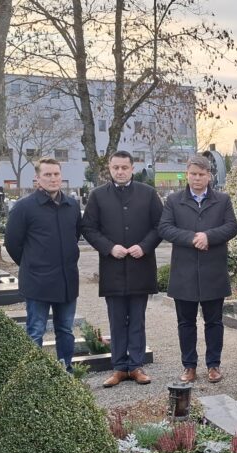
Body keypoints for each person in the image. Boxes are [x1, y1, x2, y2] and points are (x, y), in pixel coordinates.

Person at [80, 151, 164, 387]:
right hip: (113, 267)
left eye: (124, 167)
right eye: (115, 167)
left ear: (132, 168)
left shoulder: (148, 194)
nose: (120, 171)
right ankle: (118, 367)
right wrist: (109, 247)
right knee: (116, 319)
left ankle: (136, 366)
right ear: (109, 168)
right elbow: (89, 228)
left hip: (140, 266)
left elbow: (160, 225)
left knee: (137, 319)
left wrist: (144, 246)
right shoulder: (98, 196)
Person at [157, 156, 237, 384]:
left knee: (214, 322)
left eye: (201, 174)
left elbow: (232, 227)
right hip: (184, 272)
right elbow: (164, 228)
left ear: (209, 176)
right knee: (185, 323)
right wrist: (192, 238)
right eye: (193, 174)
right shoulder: (174, 200)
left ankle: (213, 365)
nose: (197, 178)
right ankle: (189, 366)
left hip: (213, 270)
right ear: (187, 173)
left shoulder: (222, 200)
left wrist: (208, 236)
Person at [4, 158, 81, 371]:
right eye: (47, 175)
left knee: (65, 330)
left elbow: (75, 235)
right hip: (37, 281)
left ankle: (65, 370)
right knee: (36, 330)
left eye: (56, 174)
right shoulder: (24, 207)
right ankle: (35, 375)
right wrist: (32, 264)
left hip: (66, 280)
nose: (53, 178)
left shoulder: (71, 205)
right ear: (37, 178)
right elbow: (12, 243)